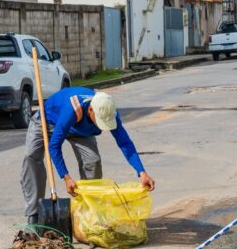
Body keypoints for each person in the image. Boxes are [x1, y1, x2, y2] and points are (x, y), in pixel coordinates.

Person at [21, 87, 154, 223]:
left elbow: (125, 142)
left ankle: (90, 213)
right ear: (90, 110)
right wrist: (66, 178)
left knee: (93, 162)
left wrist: (142, 171)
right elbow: (54, 146)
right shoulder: (72, 107)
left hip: (80, 130)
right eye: (100, 120)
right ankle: (34, 214)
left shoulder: (109, 110)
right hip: (48, 121)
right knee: (31, 157)